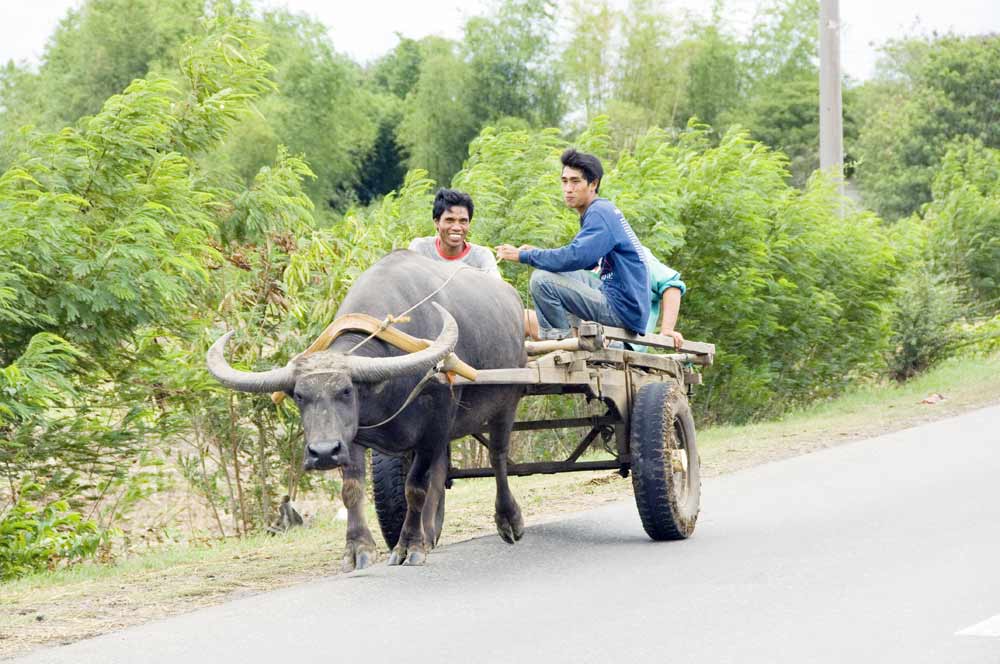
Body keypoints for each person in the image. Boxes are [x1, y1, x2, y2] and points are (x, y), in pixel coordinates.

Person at [496, 149, 650, 341]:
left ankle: (561, 342)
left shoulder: (599, 213)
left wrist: (525, 256)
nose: (568, 188)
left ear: (593, 184)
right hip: (618, 299)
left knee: (542, 280)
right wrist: (538, 253)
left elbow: (576, 257)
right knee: (555, 272)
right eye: (564, 181)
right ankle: (573, 333)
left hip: (621, 309)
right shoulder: (599, 210)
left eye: (575, 181)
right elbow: (587, 262)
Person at [523, 247, 687, 349]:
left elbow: (671, 284)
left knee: (543, 280)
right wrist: (539, 255)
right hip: (586, 331)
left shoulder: (634, 255)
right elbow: (568, 279)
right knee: (523, 317)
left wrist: (667, 330)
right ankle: (566, 341)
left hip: (622, 339)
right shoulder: (598, 257)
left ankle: (567, 343)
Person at [408, 188, 501, 279]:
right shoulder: (420, 249)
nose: (457, 228)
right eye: (449, 220)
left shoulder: (482, 256)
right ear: (436, 222)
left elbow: (497, 289)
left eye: (463, 221)